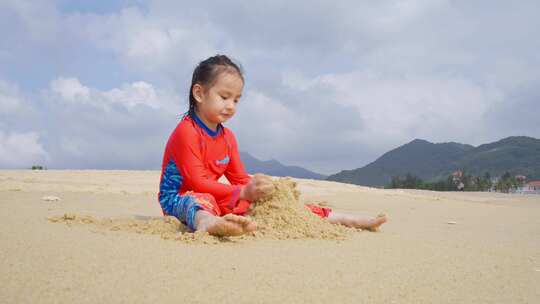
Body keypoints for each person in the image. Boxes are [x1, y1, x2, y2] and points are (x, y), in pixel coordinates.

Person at [158, 55, 387, 237]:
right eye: (224, 96)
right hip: (179, 198)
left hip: (214, 195)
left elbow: (239, 180)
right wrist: (242, 192)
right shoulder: (186, 131)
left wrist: (262, 190)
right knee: (200, 200)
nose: (231, 106)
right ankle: (207, 222)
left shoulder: (228, 137)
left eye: (236, 99)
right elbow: (197, 182)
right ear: (199, 93)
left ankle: (342, 218)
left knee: (264, 199)